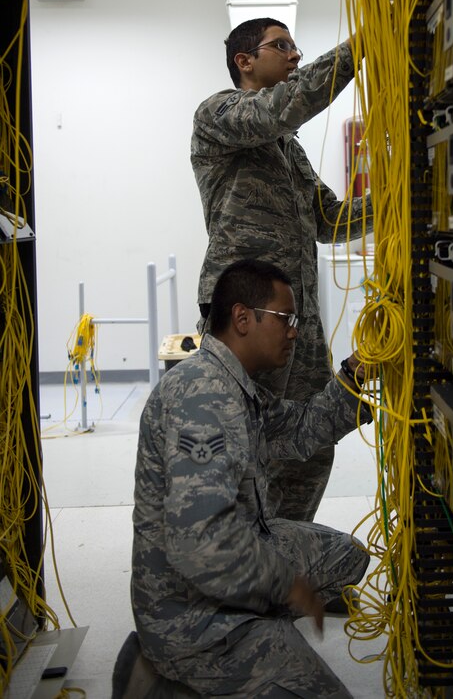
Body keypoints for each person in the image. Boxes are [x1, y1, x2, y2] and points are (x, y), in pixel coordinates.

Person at [130, 258, 371, 697]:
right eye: (286, 319)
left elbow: (299, 430)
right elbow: (202, 544)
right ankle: (171, 676)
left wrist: (355, 373)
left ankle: (259, 635)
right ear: (243, 318)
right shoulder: (203, 396)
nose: (294, 331)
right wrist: (286, 583)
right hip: (193, 619)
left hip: (231, 557)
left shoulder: (233, 384)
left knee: (346, 556)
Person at [191, 17, 373, 522]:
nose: (294, 55)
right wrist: (362, 46)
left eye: (296, 46)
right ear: (243, 61)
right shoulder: (219, 114)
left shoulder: (287, 147)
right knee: (247, 440)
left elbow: (329, 219)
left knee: (311, 444)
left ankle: (288, 557)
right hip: (246, 315)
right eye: (281, 45)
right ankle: (242, 560)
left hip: (298, 318)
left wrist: (397, 201)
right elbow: (279, 108)